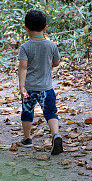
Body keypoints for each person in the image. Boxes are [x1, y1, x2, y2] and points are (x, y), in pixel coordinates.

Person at [17, 10, 63, 155]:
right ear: (45, 27)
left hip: (29, 88)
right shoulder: (51, 45)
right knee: (51, 113)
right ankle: (55, 135)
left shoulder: (25, 47)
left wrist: (22, 87)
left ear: (26, 28)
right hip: (47, 88)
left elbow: (23, 68)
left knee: (27, 113)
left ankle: (27, 139)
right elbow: (56, 63)